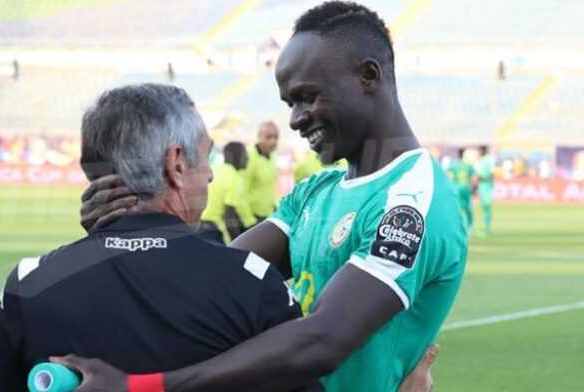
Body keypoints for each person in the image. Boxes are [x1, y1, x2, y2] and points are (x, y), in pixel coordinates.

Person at [62, 2, 465, 391]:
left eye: (308, 96)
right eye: (291, 103)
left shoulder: (409, 202)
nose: (295, 119)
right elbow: (211, 283)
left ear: (369, 76)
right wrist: (127, 231)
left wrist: (145, 387)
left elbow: (324, 341)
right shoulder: (315, 192)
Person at [0, 84, 311, 390]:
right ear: (176, 164)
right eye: (206, 157)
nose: (211, 173)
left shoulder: (28, 283)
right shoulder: (252, 281)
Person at [200, 141, 256, 243]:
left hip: (198, 226)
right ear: (237, 157)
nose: (248, 159)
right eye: (245, 155)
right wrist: (237, 245)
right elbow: (229, 217)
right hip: (215, 230)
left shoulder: (214, 170)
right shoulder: (234, 179)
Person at [244, 120, 280, 222]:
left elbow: (270, 187)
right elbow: (241, 192)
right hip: (252, 217)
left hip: (269, 214)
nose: (273, 141)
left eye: (276, 137)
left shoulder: (272, 158)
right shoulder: (249, 158)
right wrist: (249, 221)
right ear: (259, 136)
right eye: (268, 137)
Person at [447, 147, 476, 234]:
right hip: (466, 189)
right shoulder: (468, 165)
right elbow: (474, 178)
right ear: (463, 154)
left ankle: (459, 228)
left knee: (457, 208)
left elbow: (449, 177)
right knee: (468, 208)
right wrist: (474, 189)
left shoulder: (453, 165)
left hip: (456, 189)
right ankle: (470, 227)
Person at [475, 145, 495, 237]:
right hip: (482, 186)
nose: (479, 152)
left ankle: (487, 228)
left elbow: (491, 174)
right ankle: (486, 228)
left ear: (483, 150)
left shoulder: (488, 160)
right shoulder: (481, 160)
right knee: (484, 207)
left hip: (487, 186)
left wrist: (482, 178)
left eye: (480, 151)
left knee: (487, 206)